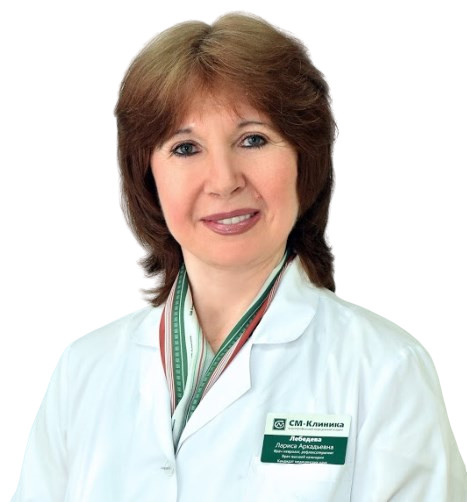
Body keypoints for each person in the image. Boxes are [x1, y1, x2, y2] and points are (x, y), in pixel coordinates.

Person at [11, 12, 467, 502]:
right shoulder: (83, 371)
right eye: (185, 148)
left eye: (253, 139)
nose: (225, 180)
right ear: (147, 177)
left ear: (304, 159)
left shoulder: (384, 370)